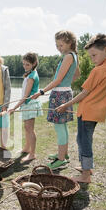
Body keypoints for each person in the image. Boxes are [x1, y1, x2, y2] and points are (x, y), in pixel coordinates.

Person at [56, 34, 106, 183]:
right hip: (97, 112)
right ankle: (86, 167)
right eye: (91, 56)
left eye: (94, 55)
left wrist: (66, 105)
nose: (93, 59)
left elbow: (84, 93)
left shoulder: (98, 70)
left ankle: (85, 176)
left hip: (87, 112)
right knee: (84, 139)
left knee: (84, 141)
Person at [32, 30, 80, 170]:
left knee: (59, 127)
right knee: (62, 126)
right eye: (57, 45)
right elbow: (75, 76)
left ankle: (60, 159)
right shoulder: (73, 56)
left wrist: (41, 92)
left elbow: (57, 80)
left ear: (69, 43)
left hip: (60, 95)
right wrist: (66, 86)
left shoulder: (68, 57)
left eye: (61, 45)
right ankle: (63, 154)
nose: (59, 48)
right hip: (64, 92)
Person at [8, 52, 42, 162]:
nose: (24, 66)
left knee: (30, 129)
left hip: (30, 104)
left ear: (34, 63)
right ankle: (27, 148)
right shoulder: (30, 73)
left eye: (27, 64)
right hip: (26, 104)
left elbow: (25, 96)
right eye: (23, 64)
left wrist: (14, 108)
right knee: (27, 128)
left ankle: (32, 154)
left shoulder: (32, 76)